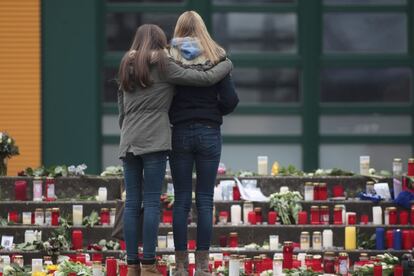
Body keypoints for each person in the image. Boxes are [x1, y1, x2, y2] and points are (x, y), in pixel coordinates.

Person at [117, 24, 232, 276]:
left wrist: (128, 133)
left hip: (129, 140)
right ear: (160, 42)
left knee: (132, 202)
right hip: (155, 139)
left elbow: (121, 108)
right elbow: (204, 78)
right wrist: (225, 63)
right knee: (151, 202)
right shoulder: (164, 63)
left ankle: (131, 266)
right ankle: (149, 265)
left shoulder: (127, 62)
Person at [168, 11, 239, 276]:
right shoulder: (216, 57)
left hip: (180, 133)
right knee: (205, 200)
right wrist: (213, 111)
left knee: (181, 200)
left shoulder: (170, 58)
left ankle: (180, 267)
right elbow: (231, 100)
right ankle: (203, 267)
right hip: (209, 132)